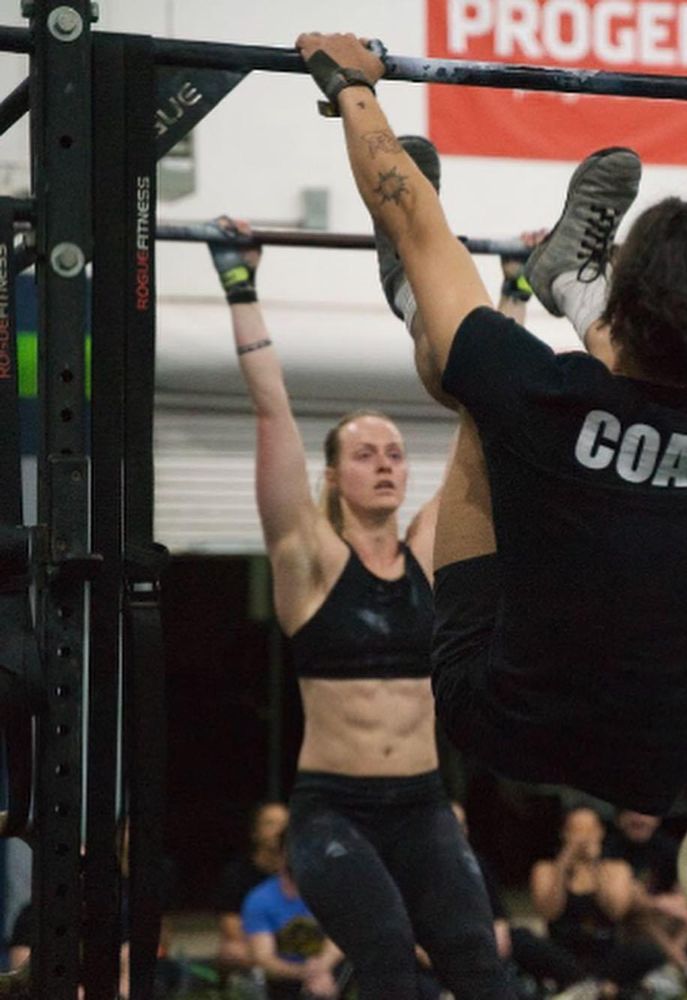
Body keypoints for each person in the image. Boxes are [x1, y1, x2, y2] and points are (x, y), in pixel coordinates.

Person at [293, 34, 687, 815]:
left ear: (624, 316)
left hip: (499, 717)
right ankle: (570, 277)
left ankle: (423, 295)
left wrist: (351, 85)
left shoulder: (547, 399)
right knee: (492, 371)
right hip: (670, 758)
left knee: (478, 382)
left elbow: (419, 225)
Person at [206, 203, 513, 999]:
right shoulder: (307, 558)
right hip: (333, 813)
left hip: (423, 803)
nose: (385, 465)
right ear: (334, 474)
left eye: (395, 454)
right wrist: (239, 283)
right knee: (385, 961)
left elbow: (486, 426)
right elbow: (272, 408)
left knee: (480, 967)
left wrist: (514, 292)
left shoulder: (426, 552)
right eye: (366, 454)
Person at [527, 808, 666, 999]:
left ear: (600, 833)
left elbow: (615, 911)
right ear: (564, 833)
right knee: (522, 939)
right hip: (563, 951)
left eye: (589, 830)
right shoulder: (546, 869)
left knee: (648, 951)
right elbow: (549, 912)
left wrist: (595, 866)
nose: (584, 837)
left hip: (604, 953)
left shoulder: (617, 868)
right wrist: (564, 862)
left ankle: (586, 987)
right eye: (577, 830)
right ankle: (595, 987)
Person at [603, 811, 687, 993]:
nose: (639, 820)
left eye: (645, 814)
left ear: (656, 819)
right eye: (632, 813)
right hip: (627, 924)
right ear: (620, 819)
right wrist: (657, 903)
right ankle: (683, 965)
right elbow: (621, 898)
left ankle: (670, 969)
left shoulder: (664, 845)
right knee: (641, 913)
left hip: (661, 921)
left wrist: (681, 898)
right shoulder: (611, 848)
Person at [241, 834, 344, 1000]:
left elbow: (341, 938)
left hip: (330, 972)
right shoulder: (259, 899)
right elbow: (264, 958)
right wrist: (304, 973)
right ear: (281, 854)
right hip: (286, 977)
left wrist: (322, 967)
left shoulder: (330, 892)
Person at [217, 801, 290, 972]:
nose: (279, 830)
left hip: (302, 946)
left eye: (285, 824)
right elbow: (231, 927)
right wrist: (268, 949)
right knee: (231, 951)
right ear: (255, 833)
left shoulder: (305, 870)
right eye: (270, 824)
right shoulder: (237, 874)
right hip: (257, 946)